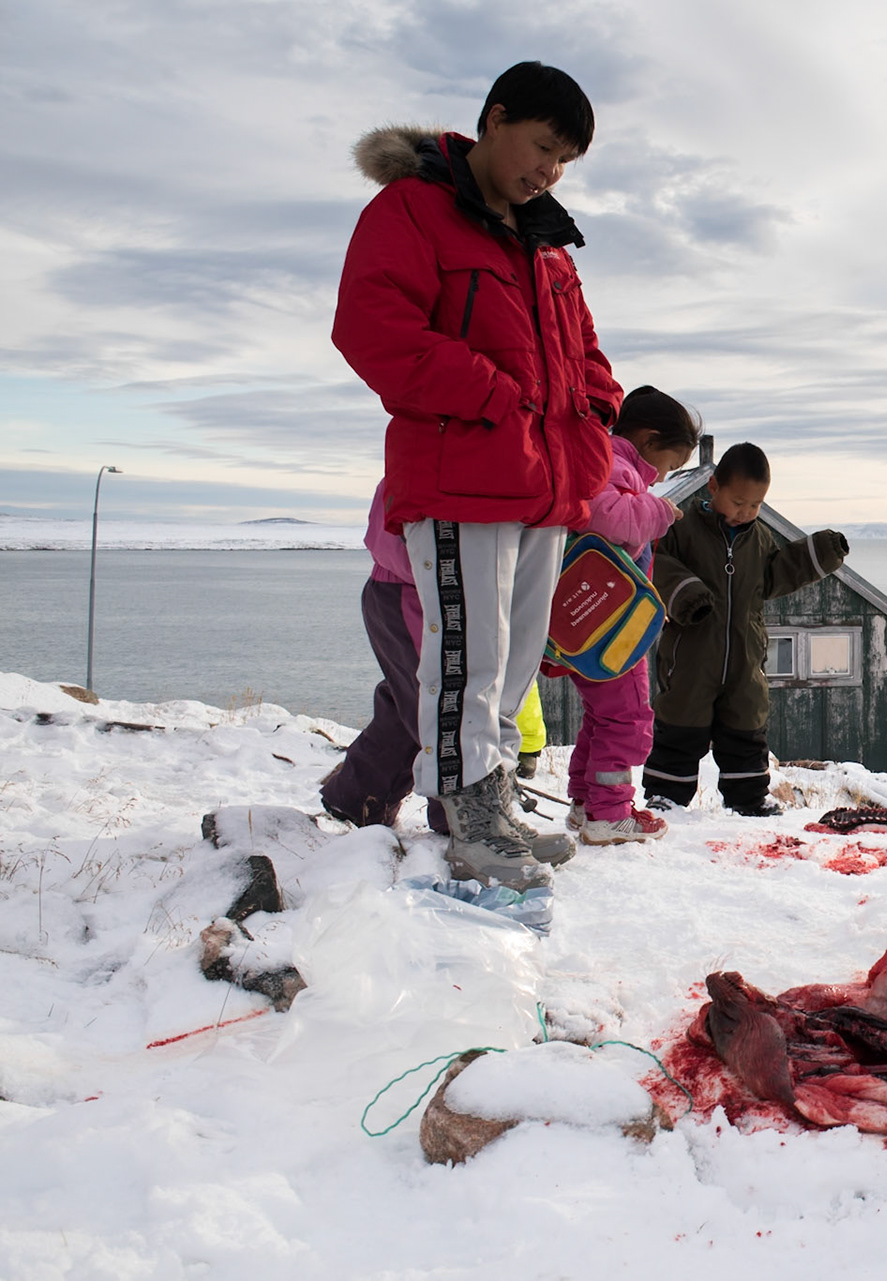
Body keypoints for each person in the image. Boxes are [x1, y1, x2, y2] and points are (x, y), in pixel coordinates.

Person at [332, 62, 621, 889]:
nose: (549, 171)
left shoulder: (548, 243)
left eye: (564, 160)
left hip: (547, 484)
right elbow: (371, 325)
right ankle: (466, 814)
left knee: (516, 657)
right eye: (541, 147)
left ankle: (489, 799)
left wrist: (595, 419)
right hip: (463, 474)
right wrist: (494, 395)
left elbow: (588, 358)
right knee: (468, 652)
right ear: (495, 120)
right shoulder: (414, 210)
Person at [319, 484, 573, 868]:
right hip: (408, 598)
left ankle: (355, 799)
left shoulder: (462, 473)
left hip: (424, 601)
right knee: (439, 705)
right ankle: (459, 817)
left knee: (408, 706)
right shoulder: (418, 476)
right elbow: (402, 544)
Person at [642, 443, 849, 815]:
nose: (746, 512)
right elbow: (656, 564)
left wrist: (822, 551)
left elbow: (775, 574)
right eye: (738, 502)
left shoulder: (760, 539)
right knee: (680, 725)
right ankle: (666, 795)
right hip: (690, 657)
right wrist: (686, 593)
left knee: (746, 726)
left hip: (746, 657)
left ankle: (748, 798)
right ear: (713, 487)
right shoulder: (681, 529)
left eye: (755, 505)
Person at [561, 388, 701, 844]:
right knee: (627, 717)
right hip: (610, 624)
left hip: (596, 622)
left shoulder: (603, 459)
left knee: (602, 715)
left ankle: (586, 803)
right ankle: (610, 813)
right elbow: (605, 514)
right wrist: (657, 511)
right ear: (648, 440)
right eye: (668, 465)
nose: (662, 478)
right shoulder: (611, 464)